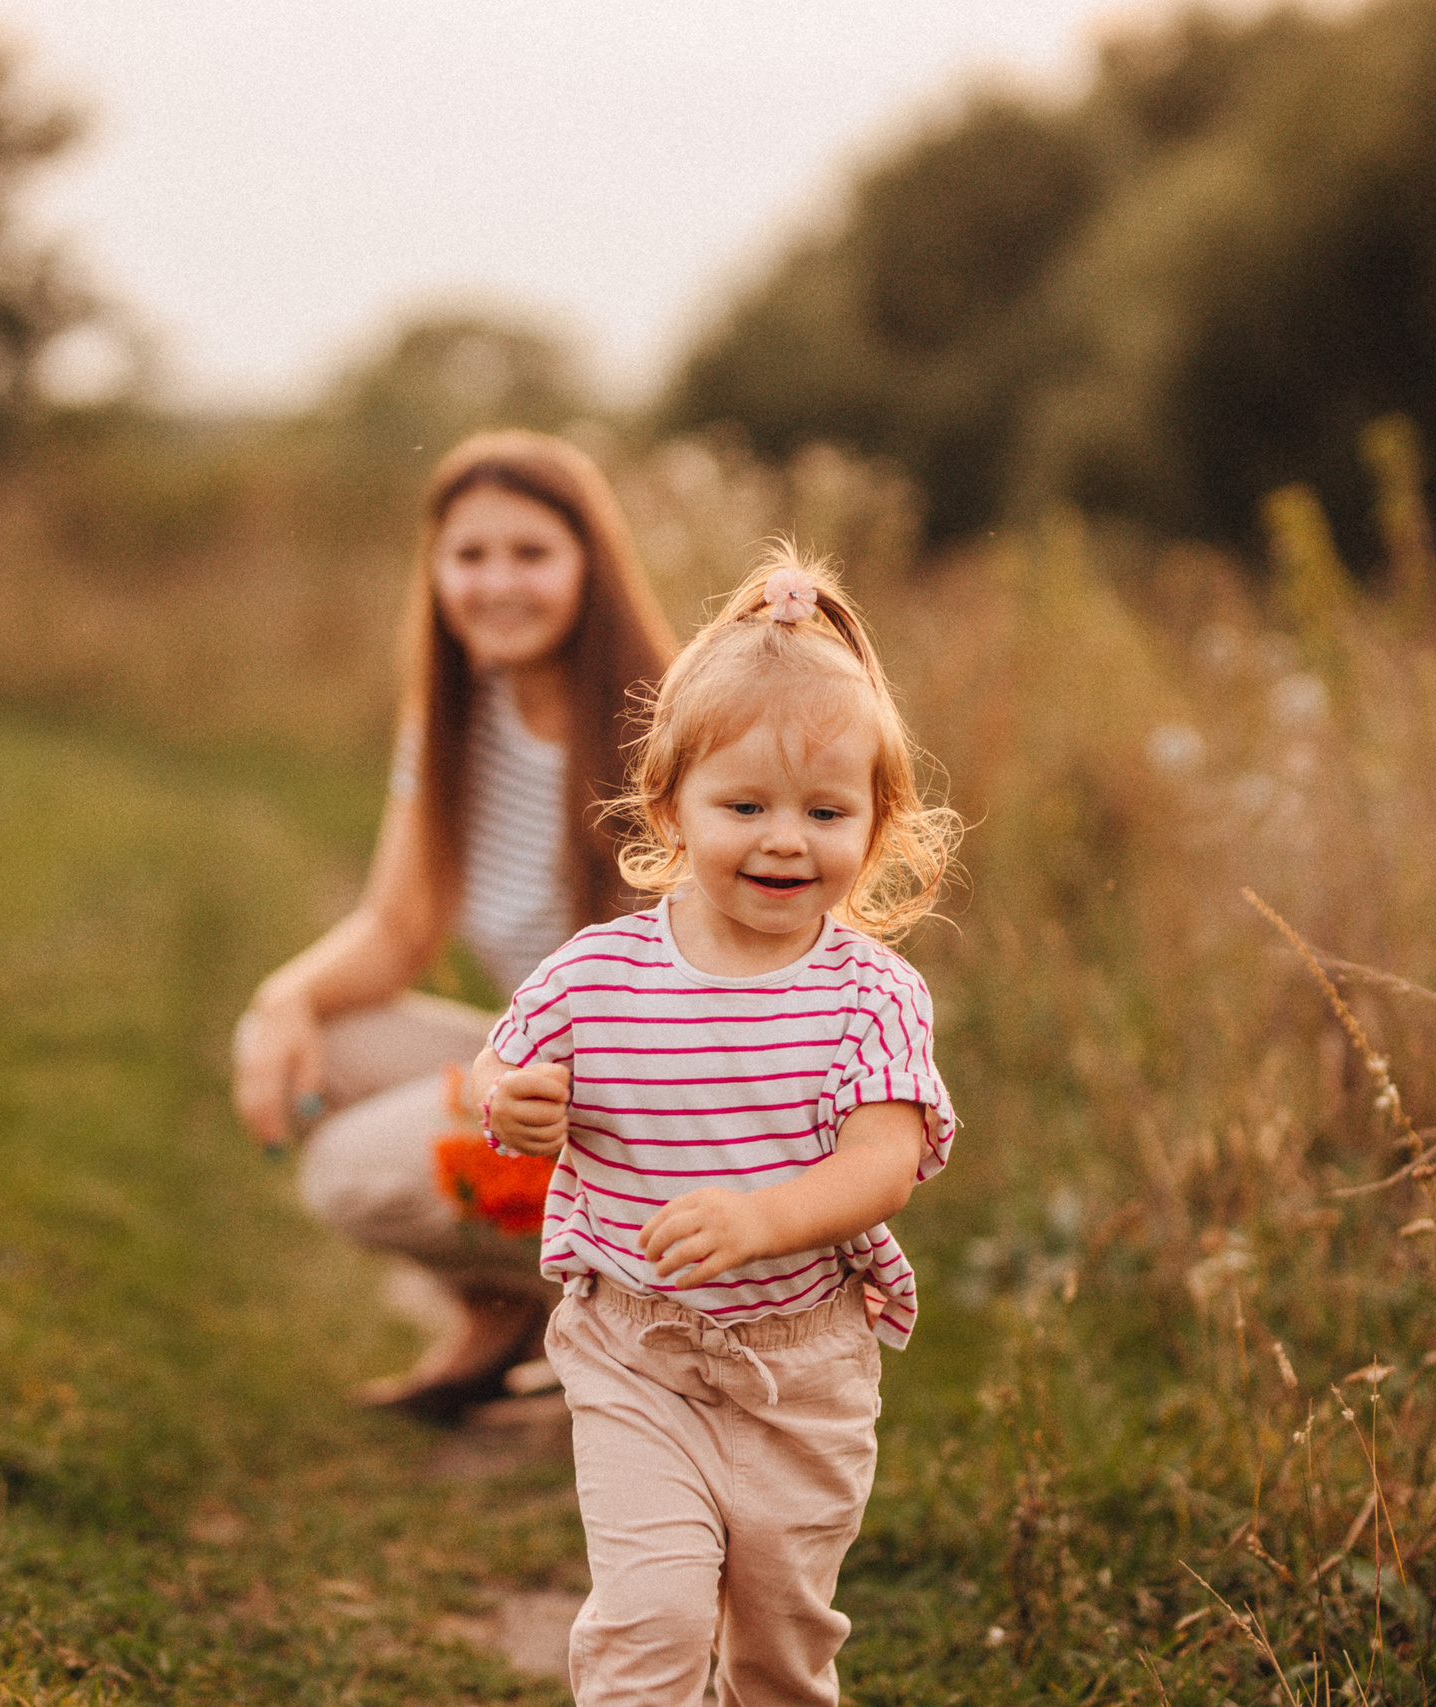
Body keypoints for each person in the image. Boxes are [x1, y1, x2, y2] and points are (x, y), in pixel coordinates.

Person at [472, 547, 961, 1705]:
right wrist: (512, 1100)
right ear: (670, 808)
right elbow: (502, 1061)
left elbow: (885, 1160)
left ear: (878, 823)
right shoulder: (597, 973)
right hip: (635, 1346)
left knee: (780, 1640)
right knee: (650, 1615)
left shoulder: (869, 994)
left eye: (826, 812)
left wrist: (761, 1220)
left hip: (805, 1364)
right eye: (744, 806)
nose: (785, 840)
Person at [231, 429, 677, 1422]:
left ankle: (639, 1305)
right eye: (469, 555)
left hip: (657, 1101)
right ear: (434, 572)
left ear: (589, 568)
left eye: (531, 553)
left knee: (352, 1171)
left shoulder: (670, 723)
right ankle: (510, 1304)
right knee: (319, 1041)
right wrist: (282, 999)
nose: (497, 583)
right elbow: (398, 926)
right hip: (539, 1068)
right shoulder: (454, 717)